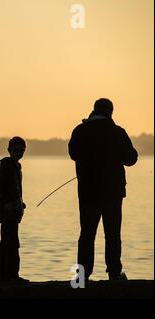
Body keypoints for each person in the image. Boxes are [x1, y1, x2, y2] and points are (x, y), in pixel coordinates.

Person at [68, 98, 138, 281]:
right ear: (110, 112)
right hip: (112, 193)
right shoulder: (117, 132)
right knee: (113, 234)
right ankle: (114, 274)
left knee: (87, 234)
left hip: (87, 193)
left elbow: (73, 153)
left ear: (94, 110)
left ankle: (82, 277)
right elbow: (131, 159)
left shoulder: (80, 131)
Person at [0, 137, 29, 284]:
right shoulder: (6, 166)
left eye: (21, 150)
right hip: (7, 214)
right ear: (9, 150)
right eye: (16, 150)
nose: (19, 153)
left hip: (15, 214)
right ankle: (7, 276)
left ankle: (11, 275)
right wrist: (7, 202)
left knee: (12, 243)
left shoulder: (16, 167)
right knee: (9, 244)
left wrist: (20, 202)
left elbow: (13, 189)